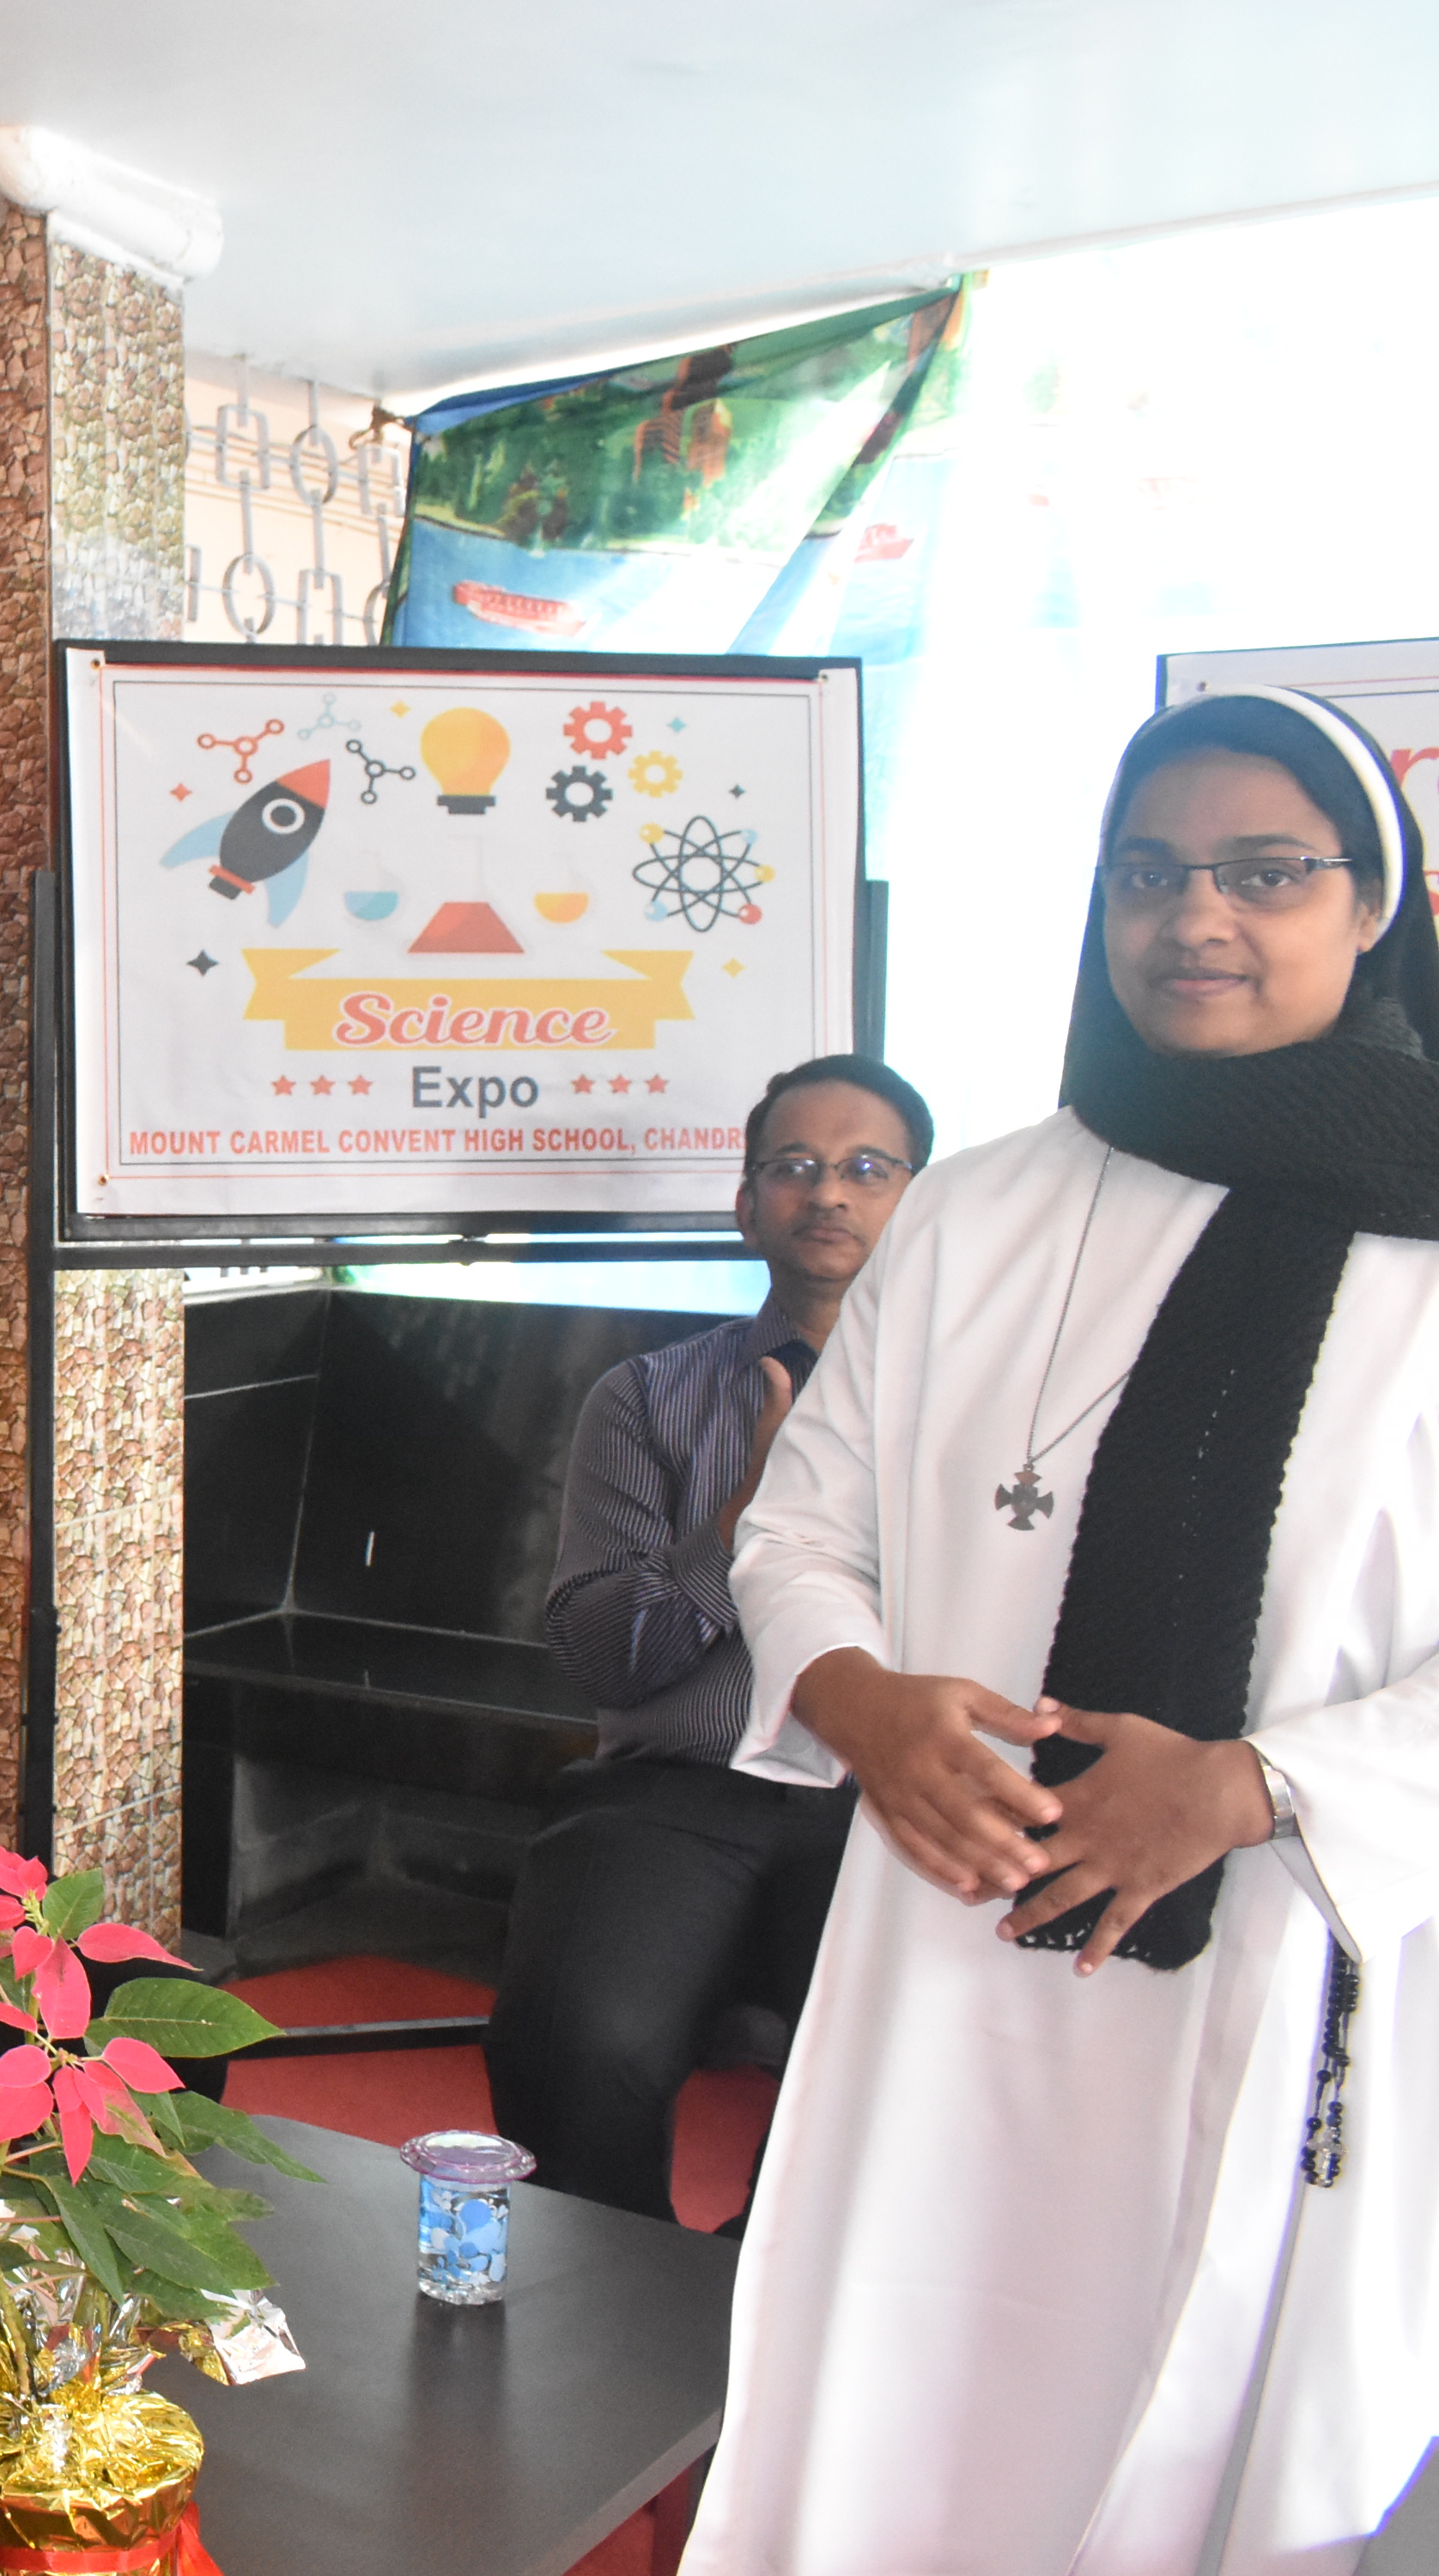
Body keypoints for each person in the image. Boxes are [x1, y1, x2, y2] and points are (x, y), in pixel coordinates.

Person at [689, 688, 1439, 2572]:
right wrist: (860, 1705)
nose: (1196, 917)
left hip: (1278, 1936)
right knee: (903, 2403)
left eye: (1264, 872)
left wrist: (1256, 1788)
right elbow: (801, 1528)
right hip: (947, 1923)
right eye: (1146, 873)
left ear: (1373, 904)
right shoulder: (973, 1211)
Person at [483, 1054, 929, 2221]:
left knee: (907, 2062)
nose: (826, 1193)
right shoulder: (648, 1397)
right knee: (579, 2036)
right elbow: (605, 1661)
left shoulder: (990, 1409)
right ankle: (608, 2289)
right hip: (681, 1788)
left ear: (921, 1204)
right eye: (794, 1167)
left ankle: (762, 2286)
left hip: (893, 1798)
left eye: (866, 1169)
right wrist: (741, 1523)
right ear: (745, 1207)